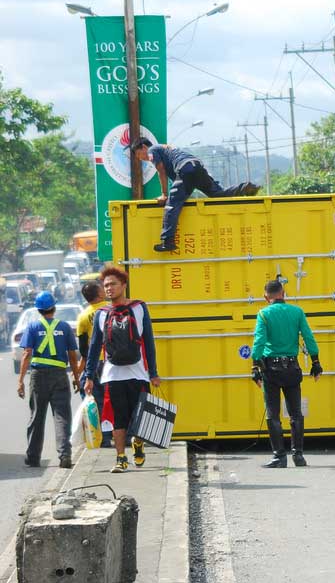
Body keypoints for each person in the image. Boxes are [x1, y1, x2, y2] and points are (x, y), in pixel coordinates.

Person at [84, 266, 159, 474]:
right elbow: (94, 348)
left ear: (123, 285)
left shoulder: (139, 308)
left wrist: (153, 372)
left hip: (138, 373)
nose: (109, 289)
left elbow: (149, 342)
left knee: (141, 417)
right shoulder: (101, 314)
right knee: (118, 418)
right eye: (106, 285)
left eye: (113, 284)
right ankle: (120, 458)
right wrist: (89, 376)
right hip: (112, 375)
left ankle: (137, 443)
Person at [129, 137, 260, 252]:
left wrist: (164, 194)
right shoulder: (164, 148)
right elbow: (179, 181)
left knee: (171, 204)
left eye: (139, 155)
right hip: (196, 166)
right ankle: (245, 188)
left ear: (144, 147)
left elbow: (161, 171)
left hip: (185, 169)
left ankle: (167, 241)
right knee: (217, 194)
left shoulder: (152, 150)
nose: (142, 159)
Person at [251, 279, 322, 468]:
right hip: (292, 369)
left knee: (273, 414)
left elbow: (259, 341)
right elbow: (308, 337)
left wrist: (255, 366)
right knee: (295, 413)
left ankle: (279, 457)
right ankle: (298, 456)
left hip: (271, 370)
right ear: (284, 293)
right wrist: (315, 362)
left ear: (266, 297)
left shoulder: (263, 314)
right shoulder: (297, 312)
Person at [16, 291, 81, 469]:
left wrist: (21, 380)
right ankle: (65, 455)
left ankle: (33, 457)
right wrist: (76, 378)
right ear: (54, 307)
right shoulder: (65, 327)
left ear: (38, 310)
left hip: (38, 376)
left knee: (37, 416)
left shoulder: (32, 327)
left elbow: (27, 353)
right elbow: (73, 356)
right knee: (62, 417)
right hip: (59, 374)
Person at [76, 279, 112, 447]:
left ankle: (104, 439)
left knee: (98, 402)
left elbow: (83, 349)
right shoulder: (113, 308)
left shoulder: (83, 316)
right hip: (113, 361)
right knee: (116, 398)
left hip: (95, 363)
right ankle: (124, 435)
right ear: (99, 294)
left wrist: (83, 371)